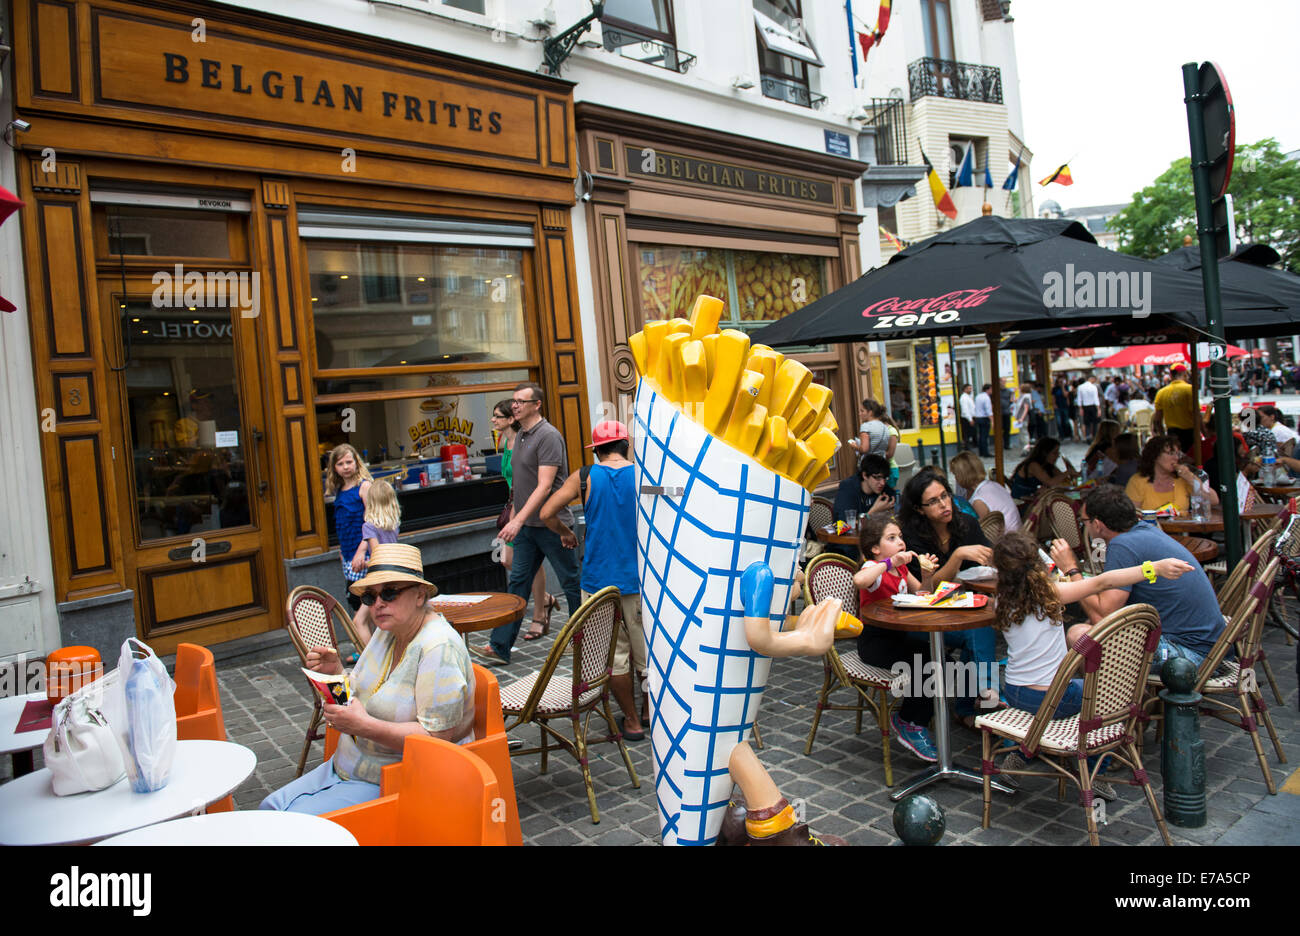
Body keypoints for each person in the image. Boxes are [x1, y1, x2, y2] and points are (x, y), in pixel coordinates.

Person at [261, 543, 475, 814]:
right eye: (369, 597)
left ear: (420, 595)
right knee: (268, 809)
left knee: (285, 829)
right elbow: (359, 696)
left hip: (403, 778)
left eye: (389, 592)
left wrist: (363, 726)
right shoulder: (388, 631)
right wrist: (336, 672)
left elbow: (437, 739)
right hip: (350, 766)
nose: (378, 604)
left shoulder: (438, 647)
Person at [990, 530, 1193, 796]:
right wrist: (1153, 568)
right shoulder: (1050, 594)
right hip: (1053, 697)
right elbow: (1102, 583)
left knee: (1051, 709)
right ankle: (1097, 771)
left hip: (1015, 691)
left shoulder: (1001, 601)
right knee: (1109, 703)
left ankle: (1021, 756)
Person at [540, 420, 648, 740]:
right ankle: (649, 709)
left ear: (597, 449)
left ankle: (631, 720)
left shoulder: (585, 477)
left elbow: (547, 512)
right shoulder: (642, 475)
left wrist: (566, 533)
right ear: (625, 445)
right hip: (641, 579)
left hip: (599, 579)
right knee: (649, 653)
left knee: (612, 656)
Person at [1056, 486, 1225, 666]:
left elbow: (1102, 617)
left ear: (1097, 525)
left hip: (1191, 657)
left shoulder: (1122, 545)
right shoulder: (1145, 530)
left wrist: (1071, 568)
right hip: (1213, 647)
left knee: (1079, 635)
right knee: (1092, 625)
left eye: (1085, 522)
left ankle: (1109, 694)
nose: (1086, 527)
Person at [475, 382, 581, 666]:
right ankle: (500, 645)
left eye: (522, 401)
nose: (516, 405)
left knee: (571, 583)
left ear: (537, 405)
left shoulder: (548, 436)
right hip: (526, 529)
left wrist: (517, 520)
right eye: (514, 401)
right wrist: (514, 519)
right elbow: (519, 487)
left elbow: (545, 486)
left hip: (552, 524)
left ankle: (581, 639)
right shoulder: (520, 435)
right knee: (518, 583)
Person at [896, 468, 999, 726]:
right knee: (976, 631)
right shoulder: (910, 537)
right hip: (919, 618)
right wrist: (958, 556)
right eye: (933, 501)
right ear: (919, 509)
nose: (944, 505)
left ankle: (972, 703)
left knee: (978, 628)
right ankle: (984, 697)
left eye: (945, 496)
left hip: (958, 608)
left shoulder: (967, 523)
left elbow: (989, 559)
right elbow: (925, 590)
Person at [852, 514, 942, 762]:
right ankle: (909, 721)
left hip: (899, 634)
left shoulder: (901, 569)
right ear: (875, 548)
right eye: (892, 538)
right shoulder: (874, 567)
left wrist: (926, 575)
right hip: (875, 641)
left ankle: (919, 716)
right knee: (924, 660)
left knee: (936, 655)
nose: (900, 542)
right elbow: (860, 580)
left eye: (900, 537)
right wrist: (889, 562)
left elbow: (923, 594)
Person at [489, 399, 555, 641]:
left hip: (526, 507)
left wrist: (516, 516)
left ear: (510, 419)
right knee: (508, 560)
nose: (493, 420)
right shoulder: (504, 441)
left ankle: (539, 613)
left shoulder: (521, 442)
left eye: (498, 416)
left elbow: (527, 480)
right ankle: (545, 599)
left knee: (528, 563)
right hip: (513, 506)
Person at [350, 479, 402, 644]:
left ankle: (373, 661)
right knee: (385, 622)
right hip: (394, 574)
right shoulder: (393, 524)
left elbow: (378, 555)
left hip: (380, 579)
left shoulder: (369, 526)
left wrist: (364, 563)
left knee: (359, 621)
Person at [325, 443, 373, 612]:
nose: (345, 467)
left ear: (356, 463)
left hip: (363, 552)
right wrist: (342, 550)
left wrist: (362, 549)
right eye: (340, 464)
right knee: (355, 602)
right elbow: (343, 523)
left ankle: (370, 638)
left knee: (362, 603)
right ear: (334, 468)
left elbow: (372, 522)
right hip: (347, 553)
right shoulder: (339, 490)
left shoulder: (364, 487)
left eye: (348, 462)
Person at [1124, 435, 1219, 513]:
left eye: (1177, 454)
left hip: (1181, 532)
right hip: (1150, 533)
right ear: (1155, 456)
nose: (1176, 458)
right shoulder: (1137, 481)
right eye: (1170, 453)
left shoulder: (1182, 479)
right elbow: (1131, 514)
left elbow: (1214, 500)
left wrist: (1190, 477)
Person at [950, 450, 1021, 532]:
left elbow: (983, 532)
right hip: (1017, 534)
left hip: (1006, 540)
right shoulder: (993, 485)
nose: (955, 479)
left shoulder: (979, 501)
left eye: (955, 474)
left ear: (962, 476)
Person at [832, 453, 897, 524]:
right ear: (865, 475)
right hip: (849, 534)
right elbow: (843, 525)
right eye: (877, 477)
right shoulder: (848, 488)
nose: (882, 483)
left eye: (885, 478)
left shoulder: (884, 488)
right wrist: (873, 512)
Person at [1152, 363, 1202, 454]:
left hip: (1172, 434)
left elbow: (1157, 420)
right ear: (1185, 374)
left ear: (1171, 375)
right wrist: (1203, 432)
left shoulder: (1161, 392)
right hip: (1190, 434)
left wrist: (1163, 437)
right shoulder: (1190, 389)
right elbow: (1196, 414)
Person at [1008, 437, 1075, 500]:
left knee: (1070, 497)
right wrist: (1068, 472)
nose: (1057, 456)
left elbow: (1061, 478)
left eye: (1058, 453)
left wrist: (1073, 473)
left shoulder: (1048, 465)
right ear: (1044, 453)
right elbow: (1050, 483)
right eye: (1054, 453)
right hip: (1023, 501)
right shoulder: (1033, 465)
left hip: (1035, 498)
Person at [1076, 375, 1101, 439]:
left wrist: (1080, 408)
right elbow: (1096, 399)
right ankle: (1094, 435)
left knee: (1087, 423)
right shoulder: (1093, 387)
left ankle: (1088, 436)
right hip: (1093, 406)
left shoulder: (1080, 387)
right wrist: (1098, 409)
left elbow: (1079, 399)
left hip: (1085, 406)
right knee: (1094, 422)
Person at [974, 383, 994, 457]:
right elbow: (988, 410)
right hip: (984, 418)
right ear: (988, 389)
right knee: (984, 436)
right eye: (991, 389)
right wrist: (992, 421)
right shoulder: (986, 398)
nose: (992, 391)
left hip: (978, 417)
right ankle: (985, 453)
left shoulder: (978, 396)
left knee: (981, 436)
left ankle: (981, 452)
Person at [959, 384, 976, 451]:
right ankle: (967, 448)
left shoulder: (968, 397)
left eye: (971, 388)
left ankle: (970, 446)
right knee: (967, 434)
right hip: (966, 418)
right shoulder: (964, 398)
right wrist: (970, 419)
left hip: (970, 417)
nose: (970, 390)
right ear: (965, 389)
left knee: (971, 433)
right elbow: (965, 410)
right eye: (969, 388)